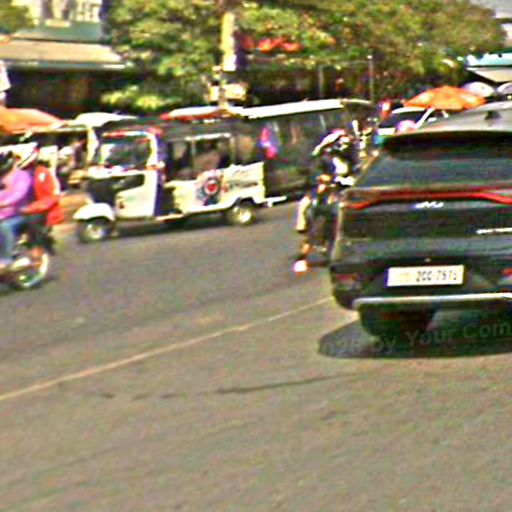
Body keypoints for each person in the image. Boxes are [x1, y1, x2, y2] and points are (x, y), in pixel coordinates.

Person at [0, 150, 33, 270]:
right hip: (2, 215)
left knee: (4, 226)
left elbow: (19, 194)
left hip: (19, 214)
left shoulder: (22, 176)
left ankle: (6, 259)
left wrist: (4, 204)